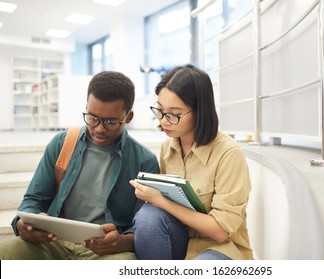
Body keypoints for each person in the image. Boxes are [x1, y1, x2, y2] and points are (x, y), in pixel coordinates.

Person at [0, 71, 159, 260]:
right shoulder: (62, 143)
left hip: (105, 253)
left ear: (129, 117)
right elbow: (34, 199)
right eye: (92, 117)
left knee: (123, 265)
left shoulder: (144, 161)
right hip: (54, 243)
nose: (99, 128)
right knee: (7, 251)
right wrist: (24, 224)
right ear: (86, 107)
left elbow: (143, 230)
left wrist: (121, 242)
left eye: (110, 122)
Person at [130, 64, 253, 260]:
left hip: (221, 248)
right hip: (181, 240)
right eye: (160, 111)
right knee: (148, 217)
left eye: (174, 114)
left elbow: (220, 231)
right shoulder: (168, 147)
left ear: (199, 111)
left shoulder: (228, 153)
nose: (163, 121)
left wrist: (161, 201)